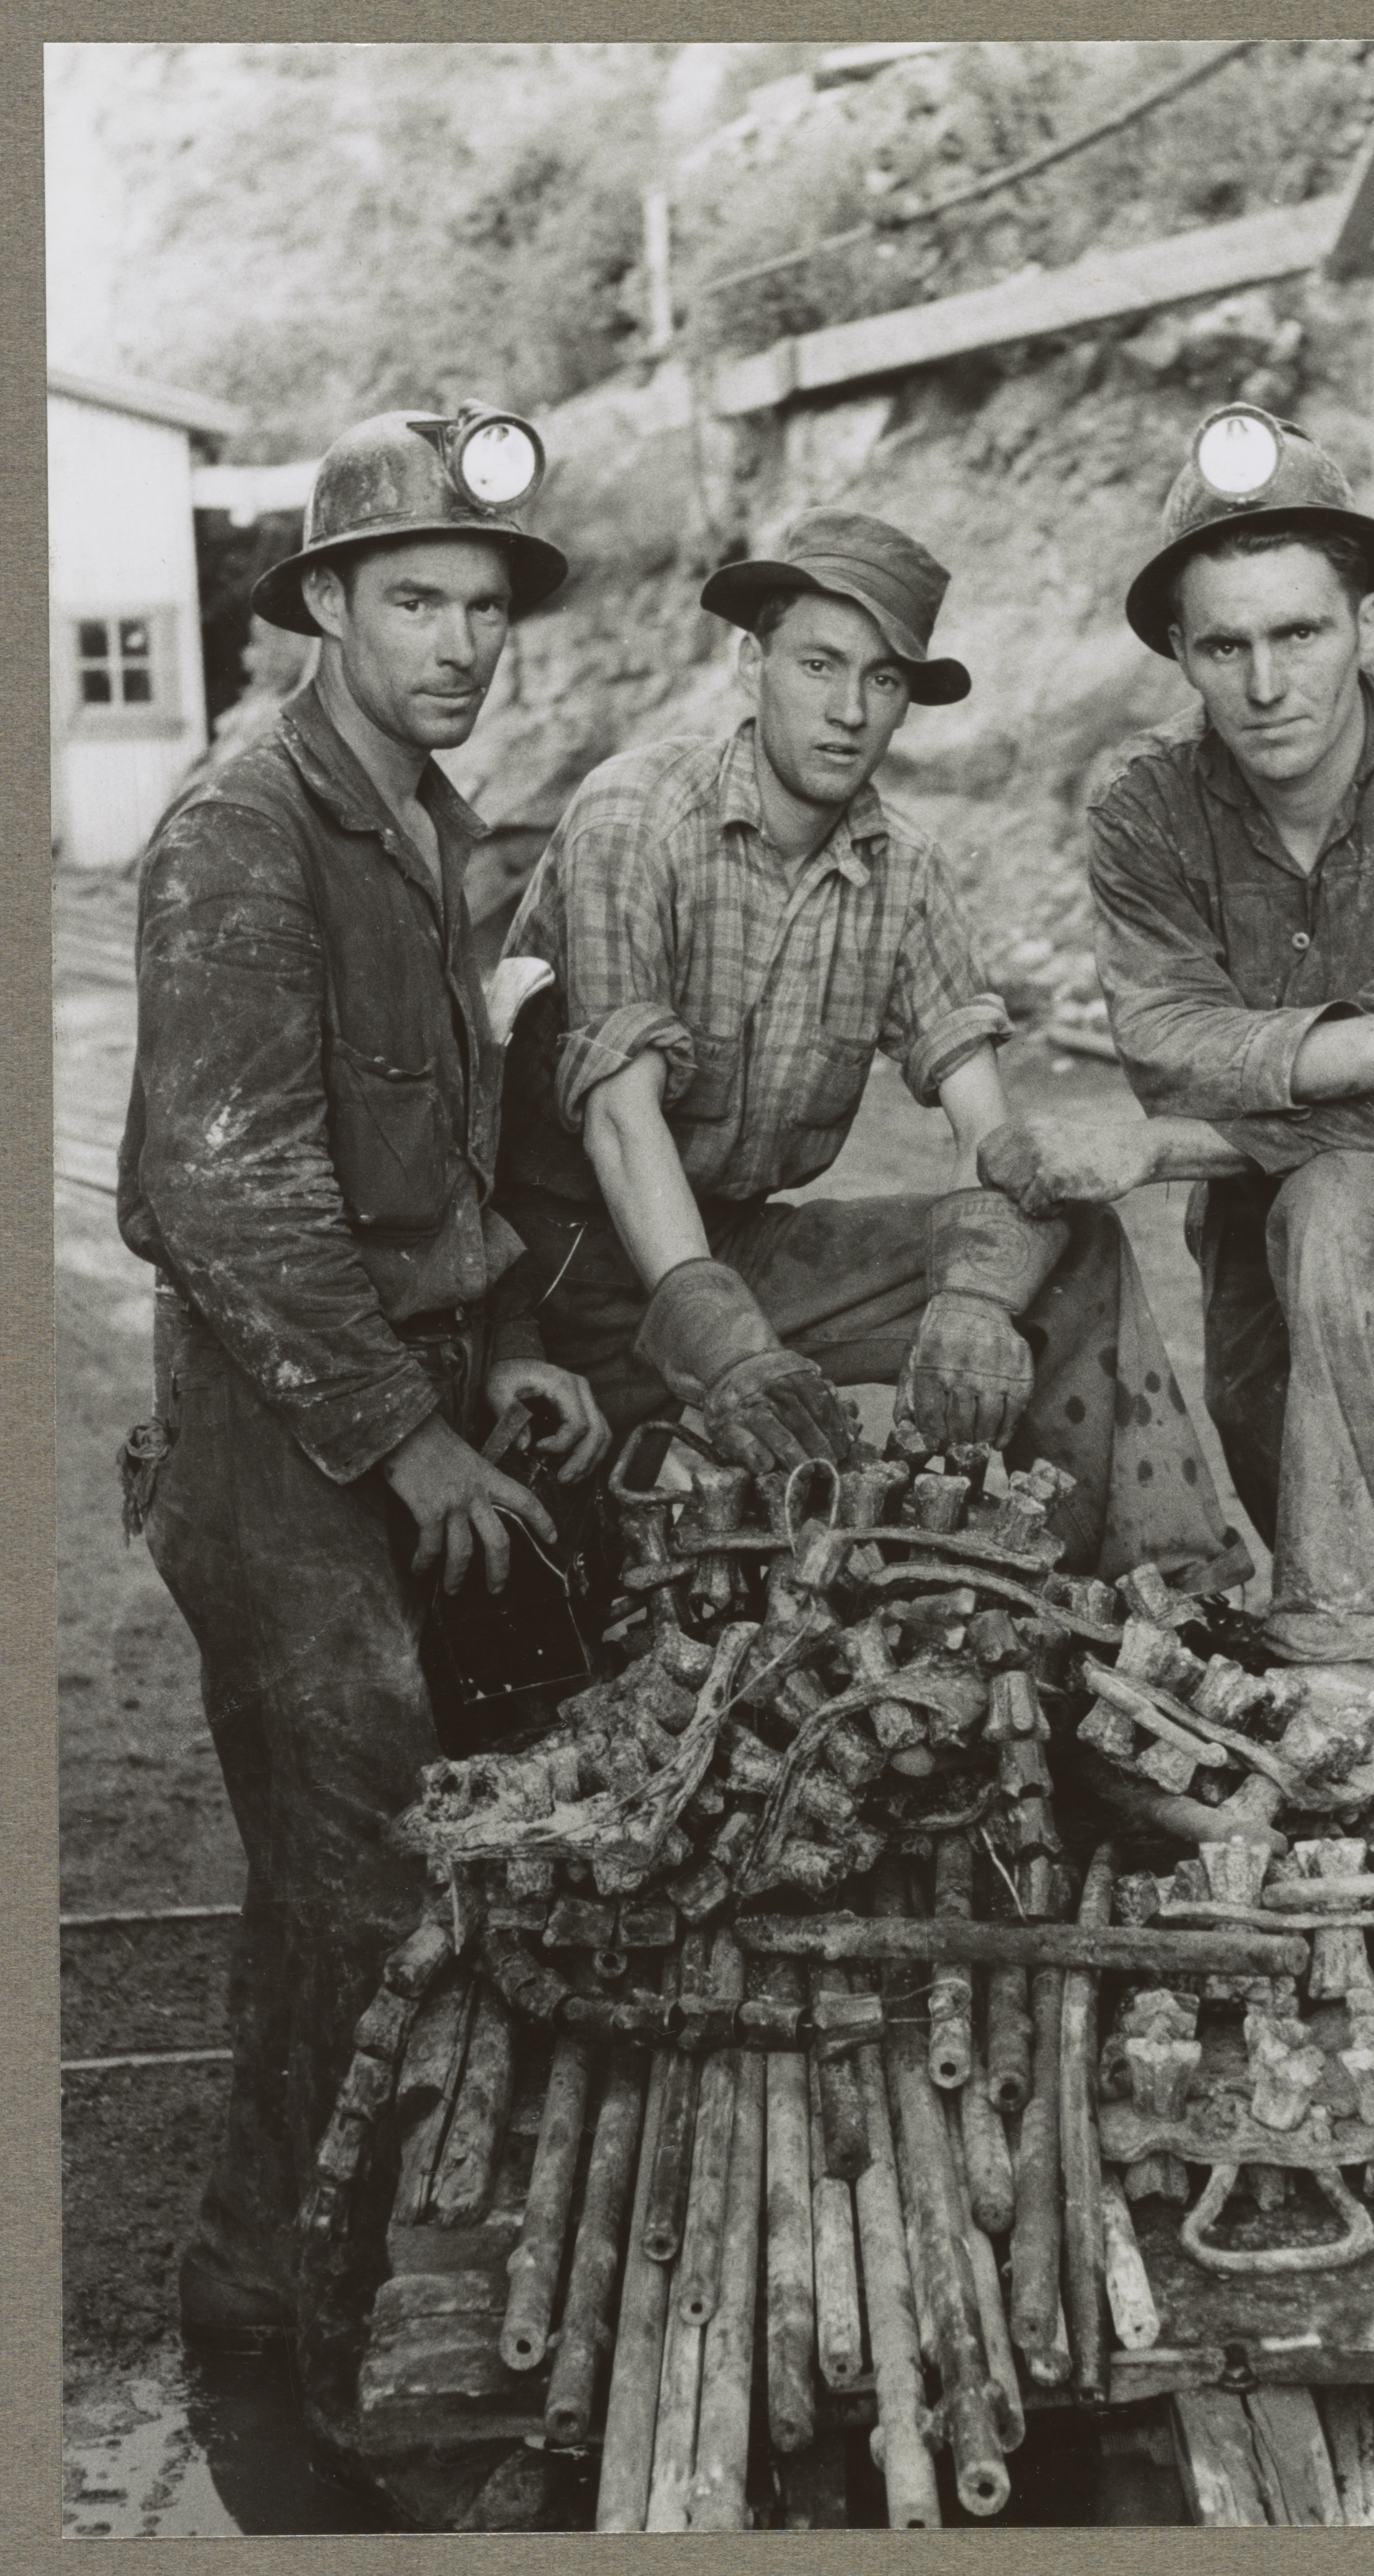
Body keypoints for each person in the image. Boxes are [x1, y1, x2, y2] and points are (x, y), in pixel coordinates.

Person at [117, 403, 609, 2378]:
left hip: (408, 1380)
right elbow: (220, 1190)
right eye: (416, 599)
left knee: (510, 1782)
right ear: (323, 602)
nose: (461, 643)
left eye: (485, 608)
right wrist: (405, 1445)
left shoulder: (433, 824)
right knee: (356, 1841)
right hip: (269, 1424)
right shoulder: (244, 832)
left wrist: (504, 1346)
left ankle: (434, 2214)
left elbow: (452, 1147)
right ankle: (263, 2291)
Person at [978, 404, 1374, 1836]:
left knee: (1349, 1209)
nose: (1262, 682)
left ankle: (1353, 1763)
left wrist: (1177, 1138)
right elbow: (1164, 1048)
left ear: (1366, 622)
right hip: (1261, 1246)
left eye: (1298, 634)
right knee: (1335, 1516)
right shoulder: (1144, 808)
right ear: (1181, 656)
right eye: (1222, 646)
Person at [495, 507, 1252, 1600]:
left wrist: (975, 1297)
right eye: (818, 665)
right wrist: (729, 1349)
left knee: (1066, 1250)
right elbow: (621, 1117)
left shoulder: (905, 872)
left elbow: (989, 1133)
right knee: (546, 1614)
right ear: (750, 660)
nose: (849, 712)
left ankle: (1162, 1604)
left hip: (733, 1236)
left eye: (885, 679)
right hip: (552, 1267)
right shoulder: (635, 817)